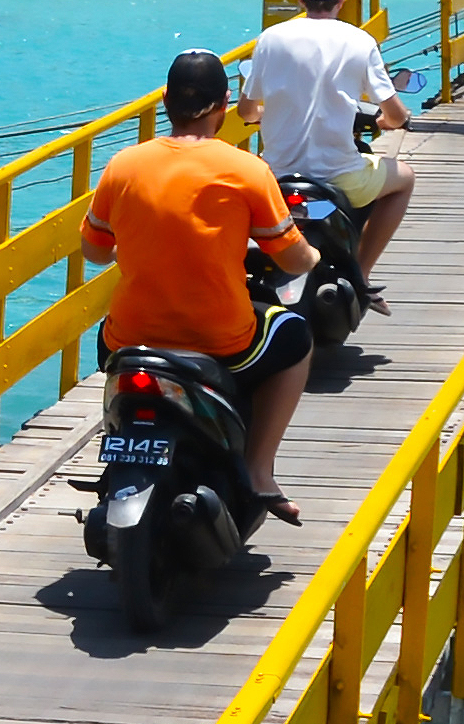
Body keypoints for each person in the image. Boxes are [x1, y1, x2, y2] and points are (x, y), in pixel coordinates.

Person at [79, 46, 310, 521]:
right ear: (224, 106)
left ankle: (120, 439)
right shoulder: (247, 170)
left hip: (132, 334)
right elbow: (292, 256)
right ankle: (260, 469)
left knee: (105, 338)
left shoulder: (123, 165)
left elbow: (95, 251)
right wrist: (315, 252)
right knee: (295, 336)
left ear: (164, 101)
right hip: (220, 339)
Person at [244, 0, 415, 302]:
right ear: (343, 0)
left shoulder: (271, 38)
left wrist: (264, 115)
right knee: (405, 178)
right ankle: (362, 275)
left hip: (276, 175)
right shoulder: (359, 40)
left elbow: (246, 111)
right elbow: (394, 114)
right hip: (340, 176)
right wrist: (387, 121)